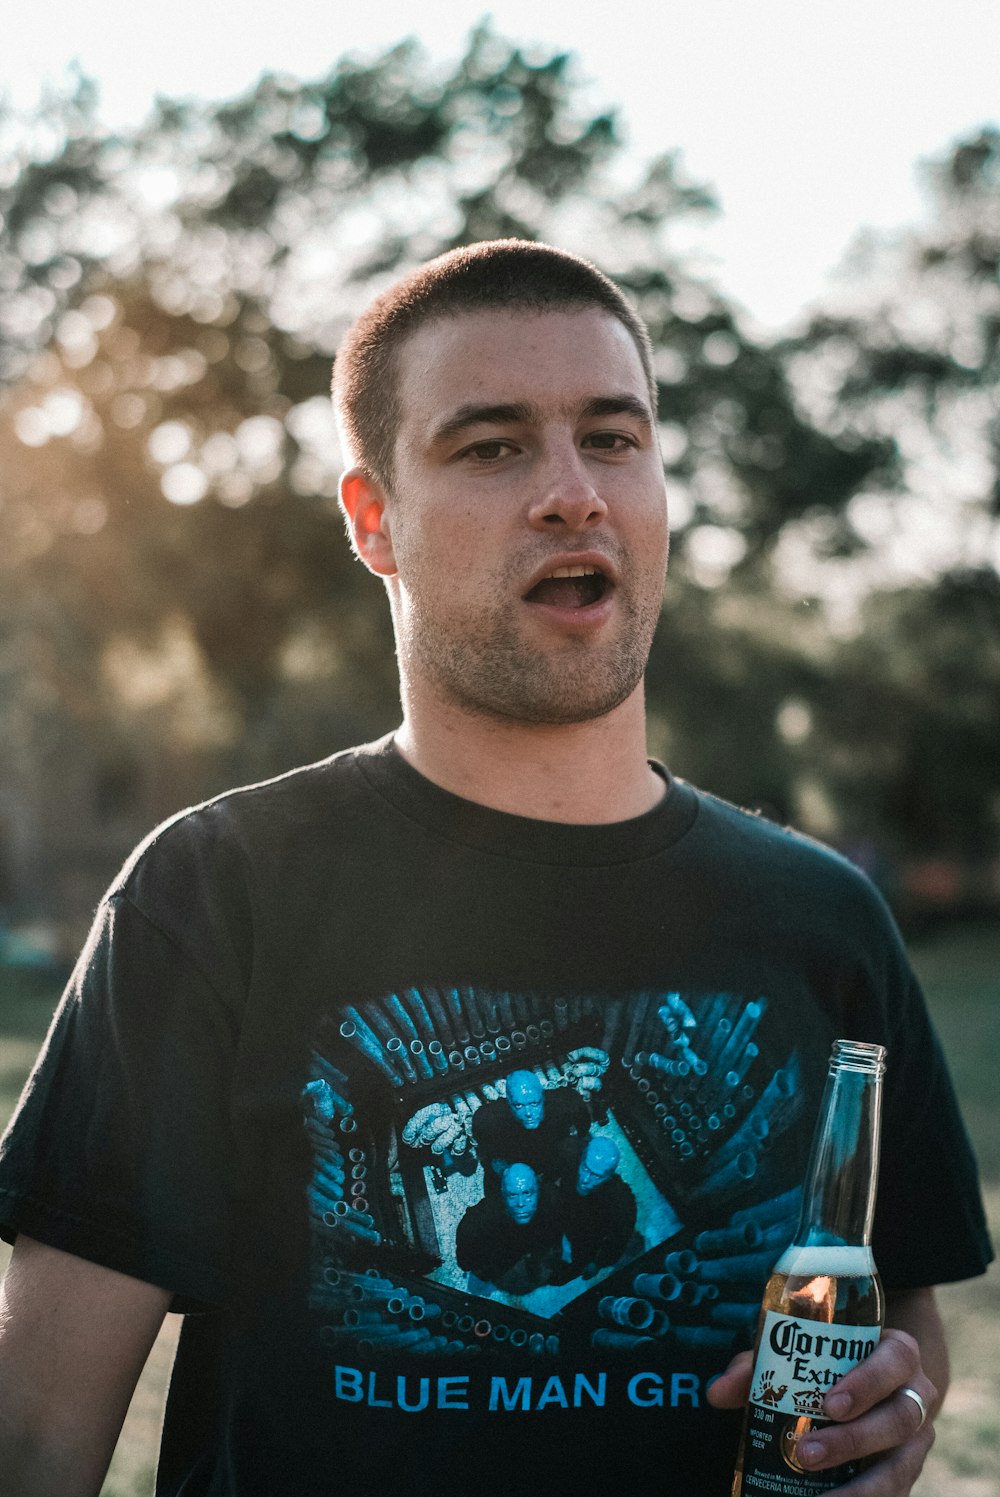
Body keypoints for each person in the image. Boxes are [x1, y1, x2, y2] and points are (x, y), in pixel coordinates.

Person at [0, 239, 992, 1497]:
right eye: (491, 446)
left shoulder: (823, 918)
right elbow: (35, 1443)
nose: (571, 492)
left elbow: (902, 1316)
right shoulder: (215, 893)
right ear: (374, 523)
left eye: (614, 437)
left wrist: (884, 1413)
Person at [472, 1068, 589, 1193]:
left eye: (534, 1104)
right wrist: (502, 1168)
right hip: (515, 1160)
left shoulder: (565, 1101)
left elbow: (583, 1125)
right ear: (508, 1102)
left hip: (551, 1154)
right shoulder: (488, 1118)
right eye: (519, 1105)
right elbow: (484, 1150)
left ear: (543, 1096)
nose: (528, 1113)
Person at [455, 1163, 562, 1294]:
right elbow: (465, 1260)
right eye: (512, 1195)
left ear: (538, 1190)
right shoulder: (481, 1219)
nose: (521, 1203)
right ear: (503, 1194)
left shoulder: (552, 1200)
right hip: (502, 1259)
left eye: (527, 1193)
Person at [557, 1135, 637, 1279]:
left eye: (597, 1176)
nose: (585, 1180)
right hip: (562, 1210)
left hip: (584, 1239)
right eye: (585, 1168)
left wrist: (598, 1263)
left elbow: (619, 1241)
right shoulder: (570, 1151)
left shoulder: (621, 1203)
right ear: (582, 1157)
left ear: (609, 1177)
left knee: (560, 1276)